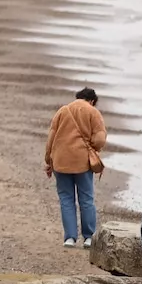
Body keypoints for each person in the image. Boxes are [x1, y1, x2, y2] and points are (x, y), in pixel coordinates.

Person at [43, 87, 107, 248]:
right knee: (86, 199)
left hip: (61, 160)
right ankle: (88, 237)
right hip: (82, 162)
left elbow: (51, 137)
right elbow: (99, 139)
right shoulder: (93, 112)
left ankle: (69, 238)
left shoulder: (63, 111)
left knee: (66, 199)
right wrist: (92, 148)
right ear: (92, 101)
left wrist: (48, 161)